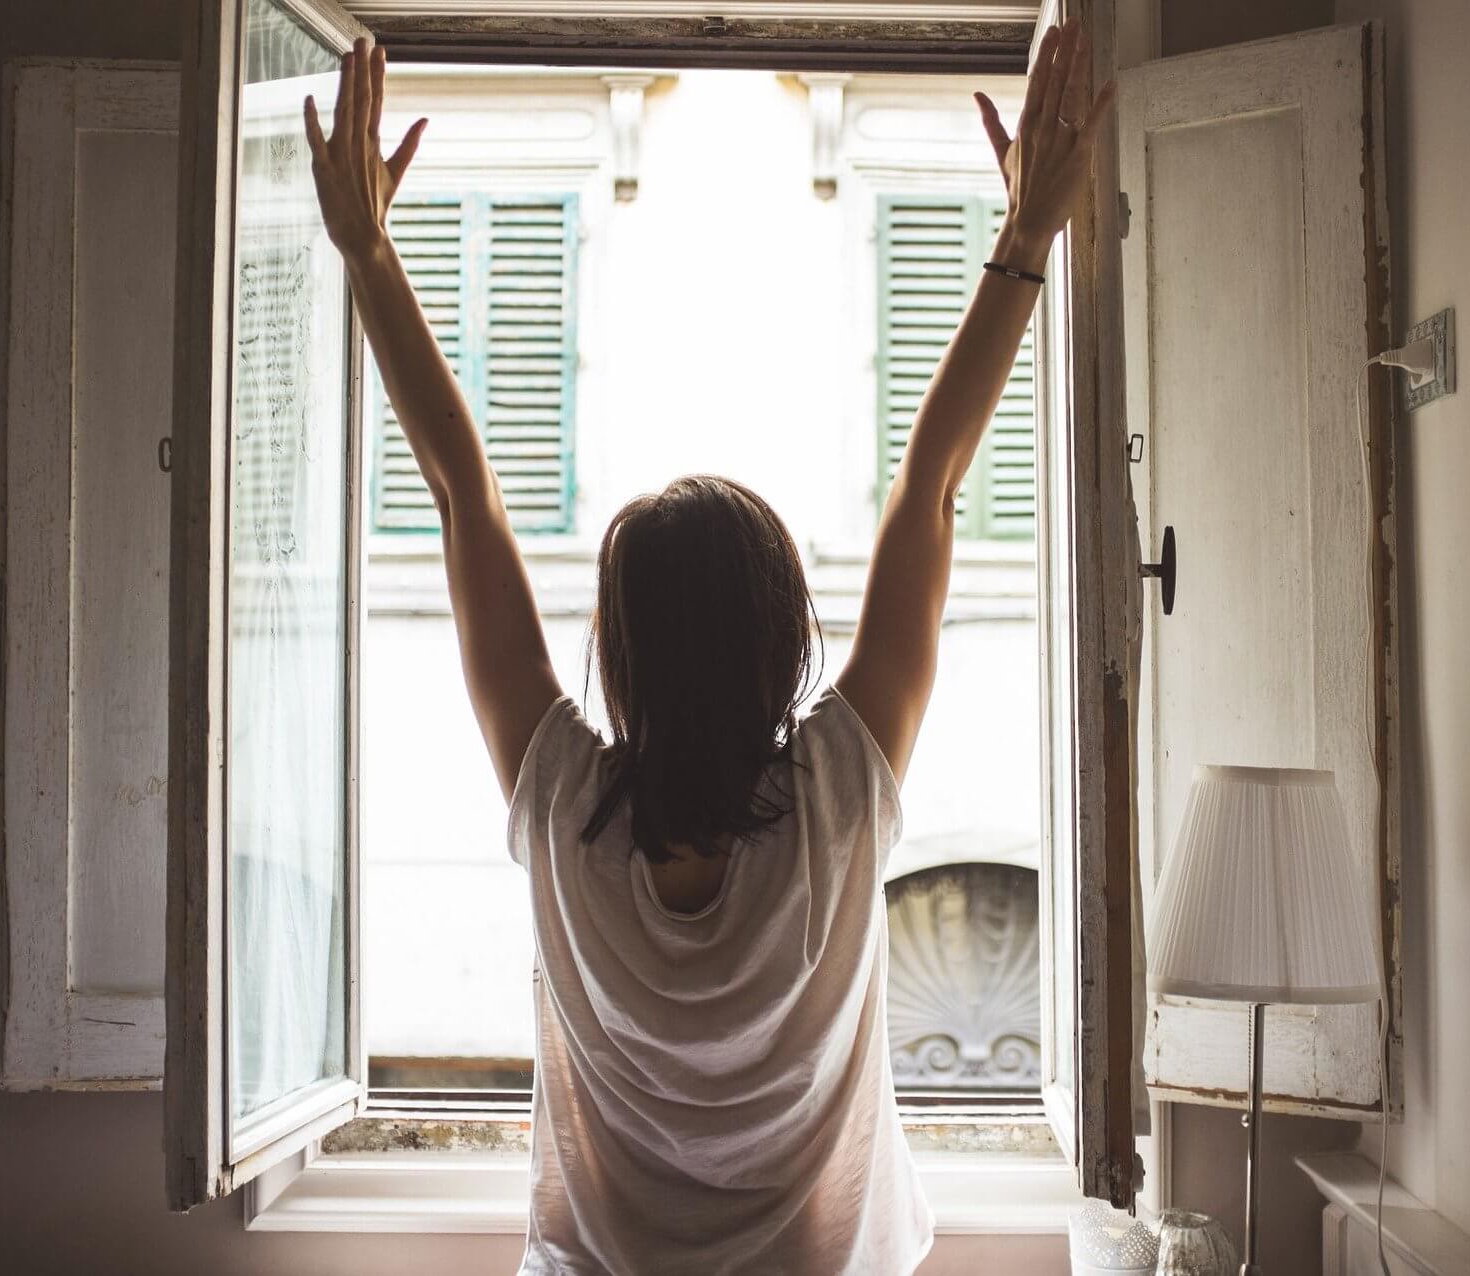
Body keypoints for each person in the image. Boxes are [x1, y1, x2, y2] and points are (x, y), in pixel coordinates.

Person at [304, 24, 1108, 1275]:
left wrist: (366, 250)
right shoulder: (842, 794)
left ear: (617, 653)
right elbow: (932, 489)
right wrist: (1022, 240)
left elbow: (464, 494)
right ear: (788, 639)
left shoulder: (564, 802)